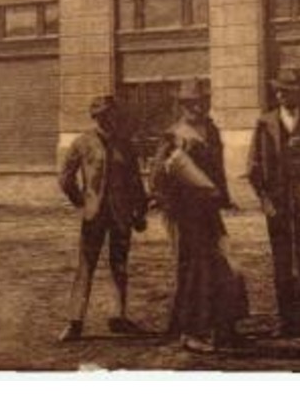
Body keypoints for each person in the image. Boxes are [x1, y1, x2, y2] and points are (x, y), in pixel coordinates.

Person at [153, 78, 245, 354]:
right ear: (182, 105)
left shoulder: (212, 131)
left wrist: (224, 197)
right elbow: (158, 177)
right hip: (185, 212)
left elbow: (217, 172)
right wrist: (170, 201)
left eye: (202, 102)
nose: (198, 107)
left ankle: (224, 327)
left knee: (226, 265)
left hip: (209, 210)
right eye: (191, 103)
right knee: (195, 270)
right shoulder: (173, 135)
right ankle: (191, 331)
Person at [57, 95, 149, 342]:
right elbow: (65, 178)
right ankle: (75, 322)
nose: (108, 119)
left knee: (119, 265)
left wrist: (140, 211)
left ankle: (118, 317)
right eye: (103, 115)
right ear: (95, 117)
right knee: (85, 266)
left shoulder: (125, 144)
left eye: (112, 114)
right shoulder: (82, 143)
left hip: (121, 215)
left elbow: (135, 182)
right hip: (94, 215)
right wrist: (82, 201)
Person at [247, 74, 300, 338]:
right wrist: (265, 200)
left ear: (299, 94)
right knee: (282, 262)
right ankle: (285, 321)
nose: (283, 96)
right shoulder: (265, 122)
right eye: (280, 92)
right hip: (277, 202)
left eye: (289, 91)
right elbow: (254, 166)